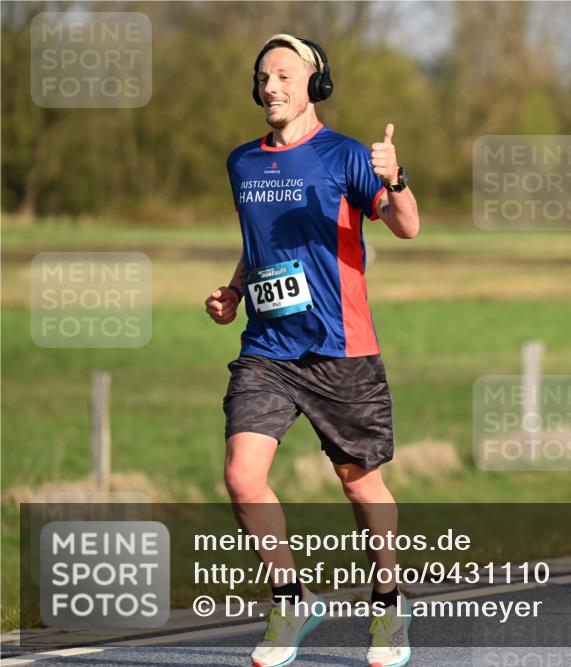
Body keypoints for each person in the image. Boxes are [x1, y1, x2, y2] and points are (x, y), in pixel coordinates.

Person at [204, 34, 418, 667]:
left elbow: (407, 225)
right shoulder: (242, 163)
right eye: (262, 76)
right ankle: (291, 599)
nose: (270, 86)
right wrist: (236, 290)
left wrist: (396, 179)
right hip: (267, 349)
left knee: (361, 489)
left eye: (283, 75)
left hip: (341, 350)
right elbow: (260, 241)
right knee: (243, 476)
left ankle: (388, 603)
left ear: (314, 85)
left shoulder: (346, 157)